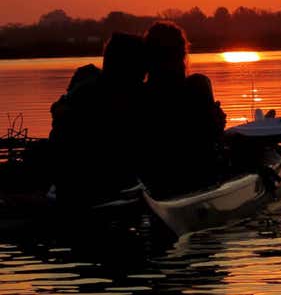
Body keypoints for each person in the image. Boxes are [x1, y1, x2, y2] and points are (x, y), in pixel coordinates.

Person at [49, 33, 147, 207]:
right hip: (98, 191)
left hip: (76, 189)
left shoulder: (83, 92)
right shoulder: (126, 97)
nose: (145, 71)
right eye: (142, 63)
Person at [140, 21, 226, 197]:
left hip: (155, 177)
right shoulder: (198, 85)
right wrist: (218, 122)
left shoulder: (138, 93)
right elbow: (211, 135)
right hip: (196, 173)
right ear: (181, 54)